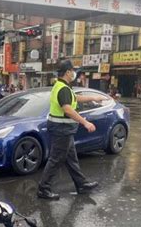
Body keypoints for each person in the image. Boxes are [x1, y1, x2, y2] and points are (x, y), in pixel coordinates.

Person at [37, 60, 106, 200]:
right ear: (68, 72)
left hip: (64, 130)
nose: (74, 73)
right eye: (73, 70)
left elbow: (75, 98)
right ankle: (43, 189)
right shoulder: (63, 88)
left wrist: (93, 98)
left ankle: (82, 185)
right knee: (55, 160)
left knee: (71, 159)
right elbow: (67, 109)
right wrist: (85, 122)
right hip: (61, 130)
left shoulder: (62, 86)